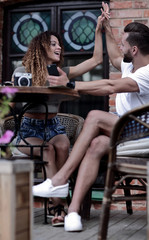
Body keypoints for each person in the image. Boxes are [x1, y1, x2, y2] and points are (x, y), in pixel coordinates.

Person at [32, 1, 149, 232]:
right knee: (95, 145)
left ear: (134, 50)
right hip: (125, 132)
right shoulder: (130, 65)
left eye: (124, 43)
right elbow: (114, 54)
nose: (120, 46)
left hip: (142, 133)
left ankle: (59, 180)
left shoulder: (147, 73)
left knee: (95, 115)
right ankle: (73, 211)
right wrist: (103, 27)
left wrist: (71, 84)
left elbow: (108, 86)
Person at [11, 12, 104, 227]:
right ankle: (59, 208)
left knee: (62, 145)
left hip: (53, 125)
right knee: (47, 150)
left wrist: (98, 30)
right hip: (29, 129)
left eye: (59, 44)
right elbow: (14, 101)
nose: (59, 47)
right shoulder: (21, 71)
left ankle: (63, 195)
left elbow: (97, 60)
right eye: (53, 44)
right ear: (41, 46)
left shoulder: (62, 73)